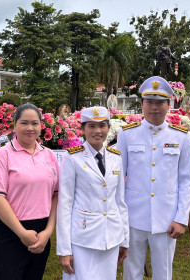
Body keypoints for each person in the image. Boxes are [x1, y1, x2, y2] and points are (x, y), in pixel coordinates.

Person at [116, 76, 190, 280]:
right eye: (149, 101)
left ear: (169, 104)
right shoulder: (127, 134)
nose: (154, 107)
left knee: (163, 272)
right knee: (131, 271)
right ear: (141, 104)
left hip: (166, 218)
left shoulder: (181, 136)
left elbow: (186, 180)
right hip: (133, 215)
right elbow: (117, 176)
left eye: (160, 102)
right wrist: (119, 216)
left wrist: (181, 218)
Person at [0, 103, 59, 280]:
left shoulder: (49, 155)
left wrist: (48, 232)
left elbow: (56, 195)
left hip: (41, 233)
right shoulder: (3, 155)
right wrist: (21, 233)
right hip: (10, 231)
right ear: (14, 125)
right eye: (24, 123)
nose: (30, 128)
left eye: (35, 123)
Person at [57, 107, 129, 280]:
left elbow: (120, 202)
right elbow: (65, 205)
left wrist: (124, 240)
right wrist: (64, 249)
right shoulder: (73, 158)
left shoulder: (116, 157)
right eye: (91, 126)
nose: (97, 131)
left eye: (102, 125)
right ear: (82, 129)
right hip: (83, 237)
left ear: (108, 127)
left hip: (111, 236)